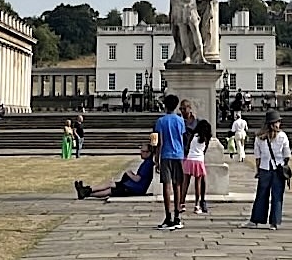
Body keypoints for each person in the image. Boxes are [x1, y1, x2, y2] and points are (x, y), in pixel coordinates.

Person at [153, 94, 188, 230]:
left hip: (166, 155)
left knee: (166, 186)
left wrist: (157, 158)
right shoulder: (180, 120)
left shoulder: (160, 121)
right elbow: (182, 137)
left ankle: (168, 216)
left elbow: (158, 142)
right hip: (178, 154)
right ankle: (177, 216)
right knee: (177, 185)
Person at [247, 117, 291, 229]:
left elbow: (258, 157)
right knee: (277, 196)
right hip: (278, 168)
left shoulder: (259, 137)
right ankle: (274, 222)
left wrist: (258, 170)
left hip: (264, 168)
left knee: (261, 195)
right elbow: (287, 154)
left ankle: (256, 219)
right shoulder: (282, 136)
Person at [75, 147, 156, 200]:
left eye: (143, 151)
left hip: (135, 189)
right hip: (132, 185)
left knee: (110, 190)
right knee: (110, 183)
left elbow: (138, 179)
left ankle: (86, 193)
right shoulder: (147, 163)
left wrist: (130, 174)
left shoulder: (147, 164)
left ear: (148, 153)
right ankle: (87, 190)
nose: (140, 153)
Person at [184, 119, 212, 216]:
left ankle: (181, 203)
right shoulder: (205, 138)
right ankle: (197, 205)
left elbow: (188, 147)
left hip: (189, 159)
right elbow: (204, 150)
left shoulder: (193, 136)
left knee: (185, 183)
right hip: (199, 160)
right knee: (198, 184)